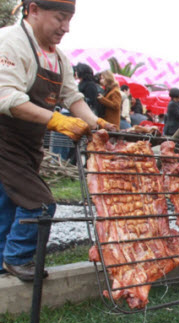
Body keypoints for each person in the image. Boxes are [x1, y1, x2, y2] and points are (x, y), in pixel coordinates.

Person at [0, 0, 116, 281]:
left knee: (7, 205)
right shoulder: (9, 42)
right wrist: (57, 121)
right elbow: (6, 97)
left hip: (28, 145)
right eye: (60, 18)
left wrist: (96, 123)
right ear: (34, 10)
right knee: (39, 203)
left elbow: (72, 98)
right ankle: (18, 258)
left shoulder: (58, 58)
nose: (65, 27)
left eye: (69, 20)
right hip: (4, 140)